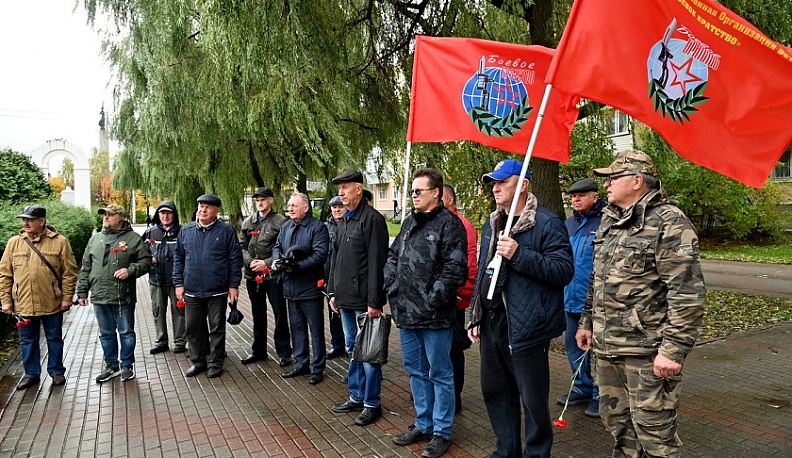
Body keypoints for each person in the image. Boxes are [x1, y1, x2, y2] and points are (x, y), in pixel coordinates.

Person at [576, 151, 705, 458]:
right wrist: (586, 322)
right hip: (608, 349)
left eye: (612, 178)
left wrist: (672, 350)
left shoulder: (668, 222)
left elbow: (687, 293)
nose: (606, 185)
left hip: (646, 354)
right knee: (619, 427)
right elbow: (599, 279)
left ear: (636, 181)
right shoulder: (611, 219)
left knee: (656, 435)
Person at [468, 159, 574, 458]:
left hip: (527, 326)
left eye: (503, 181)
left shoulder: (547, 222)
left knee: (532, 399)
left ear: (524, 185)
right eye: (494, 183)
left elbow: (563, 271)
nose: (496, 188)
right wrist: (476, 314)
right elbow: (484, 269)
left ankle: (537, 453)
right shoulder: (494, 222)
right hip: (492, 322)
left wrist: (519, 254)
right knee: (496, 392)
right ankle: (507, 450)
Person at [386, 168, 468, 458]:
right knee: (416, 372)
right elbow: (393, 255)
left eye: (419, 191)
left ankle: (442, 431)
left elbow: (455, 268)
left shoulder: (450, 225)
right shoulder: (409, 221)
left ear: (436, 192)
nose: (414, 195)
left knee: (440, 374)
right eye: (412, 191)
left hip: (434, 317)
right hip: (406, 313)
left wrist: (434, 299)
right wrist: (391, 285)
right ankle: (423, 423)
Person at [327, 170, 389, 427]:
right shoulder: (345, 221)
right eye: (339, 188)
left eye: (345, 188)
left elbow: (377, 263)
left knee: (369, 353)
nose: (340, 193)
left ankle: (372, 403)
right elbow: (336, 261)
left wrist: (375, 302)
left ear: (359, 190)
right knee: (353, 350)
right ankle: (356, 395)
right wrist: (333, 293)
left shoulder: (372, 220)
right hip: (345, 299)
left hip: (365, 301)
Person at [0, 205, 78, 390]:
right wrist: (5, 300)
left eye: (30, 219)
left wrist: (67, 297)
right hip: (24, 303)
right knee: (27, 340)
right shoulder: (14, 243)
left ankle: (56, 371)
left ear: (42, 221)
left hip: (52, 302)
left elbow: (69, 272)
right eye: (24, 219)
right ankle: (31, 374)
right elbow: (5, 274)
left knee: (54, 338)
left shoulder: (60, 242)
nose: (25, 223)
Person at [77, 204, 152, 383]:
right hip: (99, 296)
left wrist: (130, 270)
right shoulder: (95, 240)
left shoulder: (133, 239)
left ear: (121, 217)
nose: (106, 218)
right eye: (105, 215)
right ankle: (111, 366)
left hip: (122, 296)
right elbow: (86, 267)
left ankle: (127, 365)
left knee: (126, 332)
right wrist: (81, 292)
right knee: (106, 333)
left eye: (110, 215)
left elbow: (146, 261)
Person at [173, 194, 243, 379]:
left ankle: (216, 362)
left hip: (217, 290)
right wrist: (179, 283)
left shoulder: (226, 231)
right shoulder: (186, 231)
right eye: (201, 207)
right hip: (192, 290)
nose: (203, 210)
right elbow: (179, 258)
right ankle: (197, 362)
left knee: (216, 329)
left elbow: (235, 259)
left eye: (207, 207)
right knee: (193, 328)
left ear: (216, 211)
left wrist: (233, 285)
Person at [559, 179, 606, 418]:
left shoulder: (606, 222)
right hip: (570, 297)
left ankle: (601, 394)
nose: (575, 199)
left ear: (595, 197)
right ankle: (582, 386)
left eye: (581, 195)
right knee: (573, 347)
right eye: (573, 196)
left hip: (596, 301)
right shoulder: (568, 224)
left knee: (597, 350)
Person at [273, 193, 329, 385]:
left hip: (309, 286)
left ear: (306, 207)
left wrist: (297, 266)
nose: (290, 208)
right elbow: (277, 246)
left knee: (315, 329)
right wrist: (278, 261)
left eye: (294, 205)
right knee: (296, 328)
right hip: (290, 286)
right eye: (289, 205)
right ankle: (301, 363)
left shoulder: (317, 228)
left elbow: (321, 254)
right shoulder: (286, 226)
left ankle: (318, 367)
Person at [240, 187, 292, 367]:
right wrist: (250, 262)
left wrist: (267, 263)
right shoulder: (249, 221)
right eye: (257, 200)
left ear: (271, 200)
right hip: (252, 276)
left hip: (273, 275)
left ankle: (284, 352)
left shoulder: (281, 222)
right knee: (257, 313)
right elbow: (242, 246)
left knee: (279, 313)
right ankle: (259, 350)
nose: (260, 203)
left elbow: (284, 248)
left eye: (263, 199)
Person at [441, 184, 478, 414]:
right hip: (437, 301)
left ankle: (454, 397)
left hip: (453, 299)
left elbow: (469, 265)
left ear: (451, 199)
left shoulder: (463, 226)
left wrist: (460, 294)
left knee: (453, 349)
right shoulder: (438, 222)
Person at [142, 200, 187, 355]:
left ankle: (180, 342)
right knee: (157, 310)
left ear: (174, 214)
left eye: (169, 212)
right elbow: (141, 253)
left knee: (179, 311)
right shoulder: (150, 233)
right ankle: (161, 341)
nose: (165, 216)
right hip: (156, 280)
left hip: (176, 282)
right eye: (162, 213)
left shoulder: (183, 232)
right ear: (158, 215)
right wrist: (149, 258)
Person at [323, 195, 346, 360]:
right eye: (334, 207)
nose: (337, 210)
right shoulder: (325, 227)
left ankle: (348, 344)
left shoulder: (350, 224)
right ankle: (337, 344)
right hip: (329, 275)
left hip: (346, 276)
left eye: (340, 206)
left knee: (346, 312)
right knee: (333, 312)